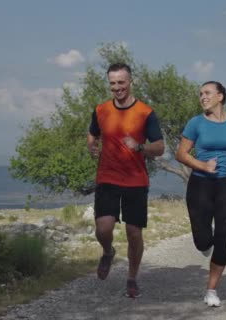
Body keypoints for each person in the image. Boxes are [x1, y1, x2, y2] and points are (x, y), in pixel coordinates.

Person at [87, 63, 165, 298]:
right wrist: (92, 144)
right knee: (103, 228)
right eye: (113, 83)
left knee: (133, 232)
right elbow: (93, 132)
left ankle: (131, 277)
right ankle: (108, 251)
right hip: (108, 177)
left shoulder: (145, 112)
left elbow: (160, 147)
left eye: (121, 82)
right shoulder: (100, 110)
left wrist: (140, 146)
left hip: (135, 180)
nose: (117, 88)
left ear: (130, 82)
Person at [175, 80, 226, 307]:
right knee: (202, 241)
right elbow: (181, 154)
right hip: (200, 184)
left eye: (207, 93)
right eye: (200, 94)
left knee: (223, 237)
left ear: (221, 96)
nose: (202, 97)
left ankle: (211, 290)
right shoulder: (195, 123)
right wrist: (202, 165)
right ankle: (205, 242)